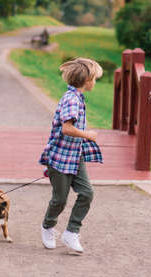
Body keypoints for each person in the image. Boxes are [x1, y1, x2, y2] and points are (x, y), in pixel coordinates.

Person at [39, 58, 103, 253]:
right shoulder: (71, 99)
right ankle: (48, 226)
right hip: (59, 158)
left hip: (75, 157)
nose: (95, 82)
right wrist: (88, 135)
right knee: (60, 200)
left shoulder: (78, 97)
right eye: (95, 79)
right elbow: (67, 129)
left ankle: (71, 233)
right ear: (87, 81)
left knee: (87, 193)